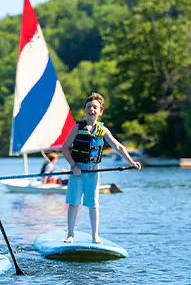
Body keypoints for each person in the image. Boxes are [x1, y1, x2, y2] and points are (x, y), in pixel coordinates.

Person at [61, 93, 142, 244]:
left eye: (95, 107)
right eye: (89, 107)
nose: (92, 109)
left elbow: (118, 146)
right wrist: (74, 166)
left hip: (93, 172)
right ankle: (70, 234)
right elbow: (65, 148)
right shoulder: (77, 128)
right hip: (77, 171)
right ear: (85, 110)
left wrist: (132, 162)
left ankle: (95, 236)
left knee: (93, 204)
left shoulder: (102, 130)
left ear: (100, 112)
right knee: (74, 202)